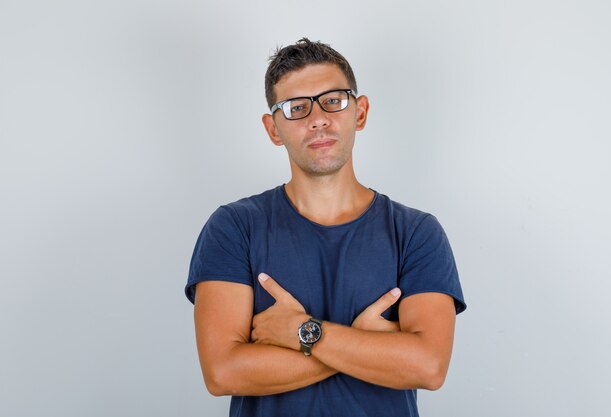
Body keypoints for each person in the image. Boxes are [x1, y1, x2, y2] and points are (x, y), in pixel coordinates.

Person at [185, 38, 466, 417]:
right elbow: (222, 371)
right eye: (297, 108)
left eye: (333, 100)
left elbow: (428, 367)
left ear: (360, 112)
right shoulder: (233, 228)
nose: (318, 118)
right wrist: (366, 345)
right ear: (273, 129)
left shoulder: (416, 232)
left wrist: (301, 332)